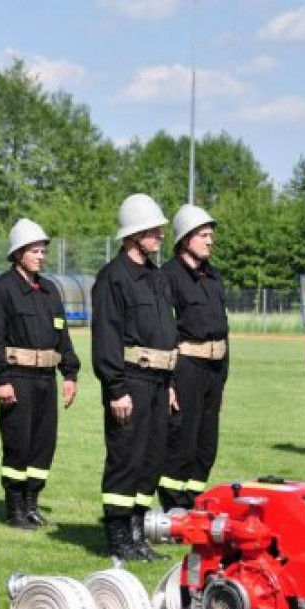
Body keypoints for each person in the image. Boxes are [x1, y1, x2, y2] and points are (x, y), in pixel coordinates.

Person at [92, 193, 178, 561]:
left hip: (159, 382)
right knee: (126, 458)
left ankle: (137, 532)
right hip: (130, 381)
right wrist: (116, 388)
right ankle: (118, 537)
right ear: (134, 234)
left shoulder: (156, 277)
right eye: (153, 230)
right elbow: (107, 337)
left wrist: (170, 382)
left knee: (151, 459)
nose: (160, 235)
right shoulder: (113, 278)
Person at [0, 218, 80, 529]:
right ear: (19, 253)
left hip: (45, 379)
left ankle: (32, 503)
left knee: (42, 443)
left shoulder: (49, 290)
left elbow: (61, 335)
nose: (41, 256)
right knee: (18, 442)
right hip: (17, 377)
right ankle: (14, 509)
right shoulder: (2, 290)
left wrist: (70, 373)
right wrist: (1, 379)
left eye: (43, 251)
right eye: (35, 251)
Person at [157, 204, 228, 510]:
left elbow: (221, 327)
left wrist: (222, 374)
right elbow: (162, 331)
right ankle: (173, 506)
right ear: (185, 239)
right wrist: (169, 382)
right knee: (181, 441)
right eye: (203, 235)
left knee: (206, 444)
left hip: (214, 368)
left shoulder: (213, 276)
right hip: (186, 366)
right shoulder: (167, 277)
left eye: (211, 235)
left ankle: (193, 502)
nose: (210, 241)